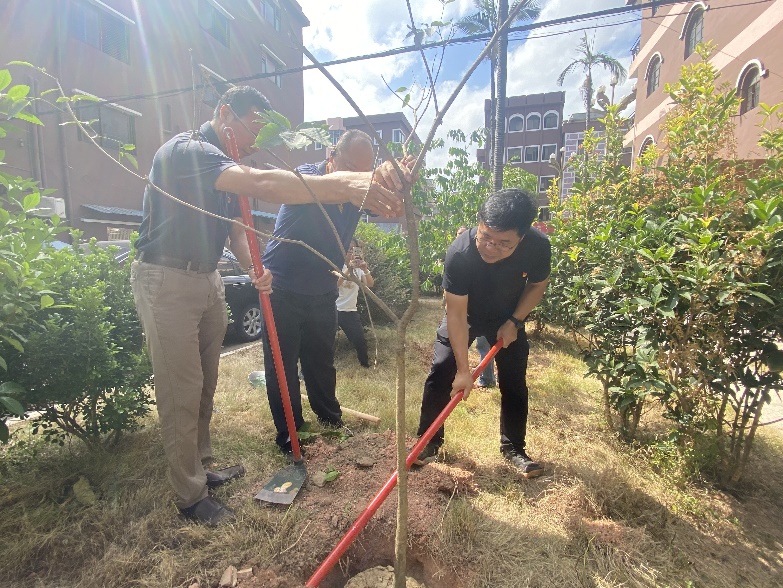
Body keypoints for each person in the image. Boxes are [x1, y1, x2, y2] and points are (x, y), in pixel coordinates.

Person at [131, 87, 406, 526]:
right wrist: (351, 183)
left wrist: (252, 266)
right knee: (181, 390)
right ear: (225, 113)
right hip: (168, 278)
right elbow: (262, 184)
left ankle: (201, 466)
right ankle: (190, 496)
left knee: (203, 384)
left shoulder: (225, 164)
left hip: (207, 277)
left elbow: (236, 229)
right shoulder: (188, 151)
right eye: (253, 127)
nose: (257, 141)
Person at [262, 130, 414, 457]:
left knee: (321, 360)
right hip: (281, 287)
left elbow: (393, 208)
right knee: (282, 366)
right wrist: (369, 178)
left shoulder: (359, 194)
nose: (358, 176)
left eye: (365, 170)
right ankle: (291, 434)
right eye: (351, 167)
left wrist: (398, 182)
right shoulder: (307, 177)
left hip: (322, 287)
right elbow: (327, 189)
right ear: (331, 156)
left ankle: (330, 418)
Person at [414, 189, 551, 478]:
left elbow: (538, 285)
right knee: (442, 370)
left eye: (504, 243)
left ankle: (513, 447)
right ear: (479, 222)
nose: (490, 247)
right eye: (485, 236)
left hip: (508, 315)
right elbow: (456, 315)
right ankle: (428, 441)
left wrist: (514, 321)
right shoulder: (460, 253)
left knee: (514, 380)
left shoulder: (538, 246)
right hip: (466, 314)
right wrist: (464, 371)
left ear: (522, 237)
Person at [455, 226, 496, 388]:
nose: (460, 238)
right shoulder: (457, 255)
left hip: (482, 311)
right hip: (463, 312)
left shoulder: (480, 257)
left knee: (483, 345)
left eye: (462, 235)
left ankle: (487, 379)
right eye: (458, 235)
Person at [336, 238, 374, 368]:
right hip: (334, 309)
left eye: (354, 249)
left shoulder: (359, 269)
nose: (351, 252)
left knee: (359, 340)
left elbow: (369, 284)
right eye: (348, 249)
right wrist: (349, 269)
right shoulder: (337, 266)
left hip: (350, 311)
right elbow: (336, 284)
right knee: (323, 341)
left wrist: (365, 269)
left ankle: (365, 365)